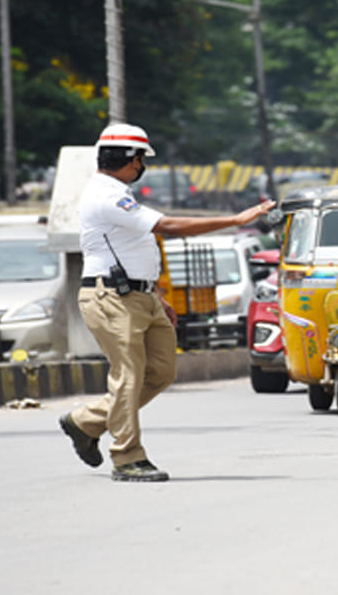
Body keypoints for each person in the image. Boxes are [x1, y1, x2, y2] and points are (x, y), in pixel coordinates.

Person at [58, 124, 276, 482]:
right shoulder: (107, 195)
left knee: (161, 371)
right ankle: (127, 457)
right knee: (128, 374)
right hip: (112, 296)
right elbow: (169, 226)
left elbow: (133, 248)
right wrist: (235, 220)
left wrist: (156, 294)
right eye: (141, 159)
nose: (142, 166)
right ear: (133, 160)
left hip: (140, 295)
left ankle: (85, 422)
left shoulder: (115, 193)